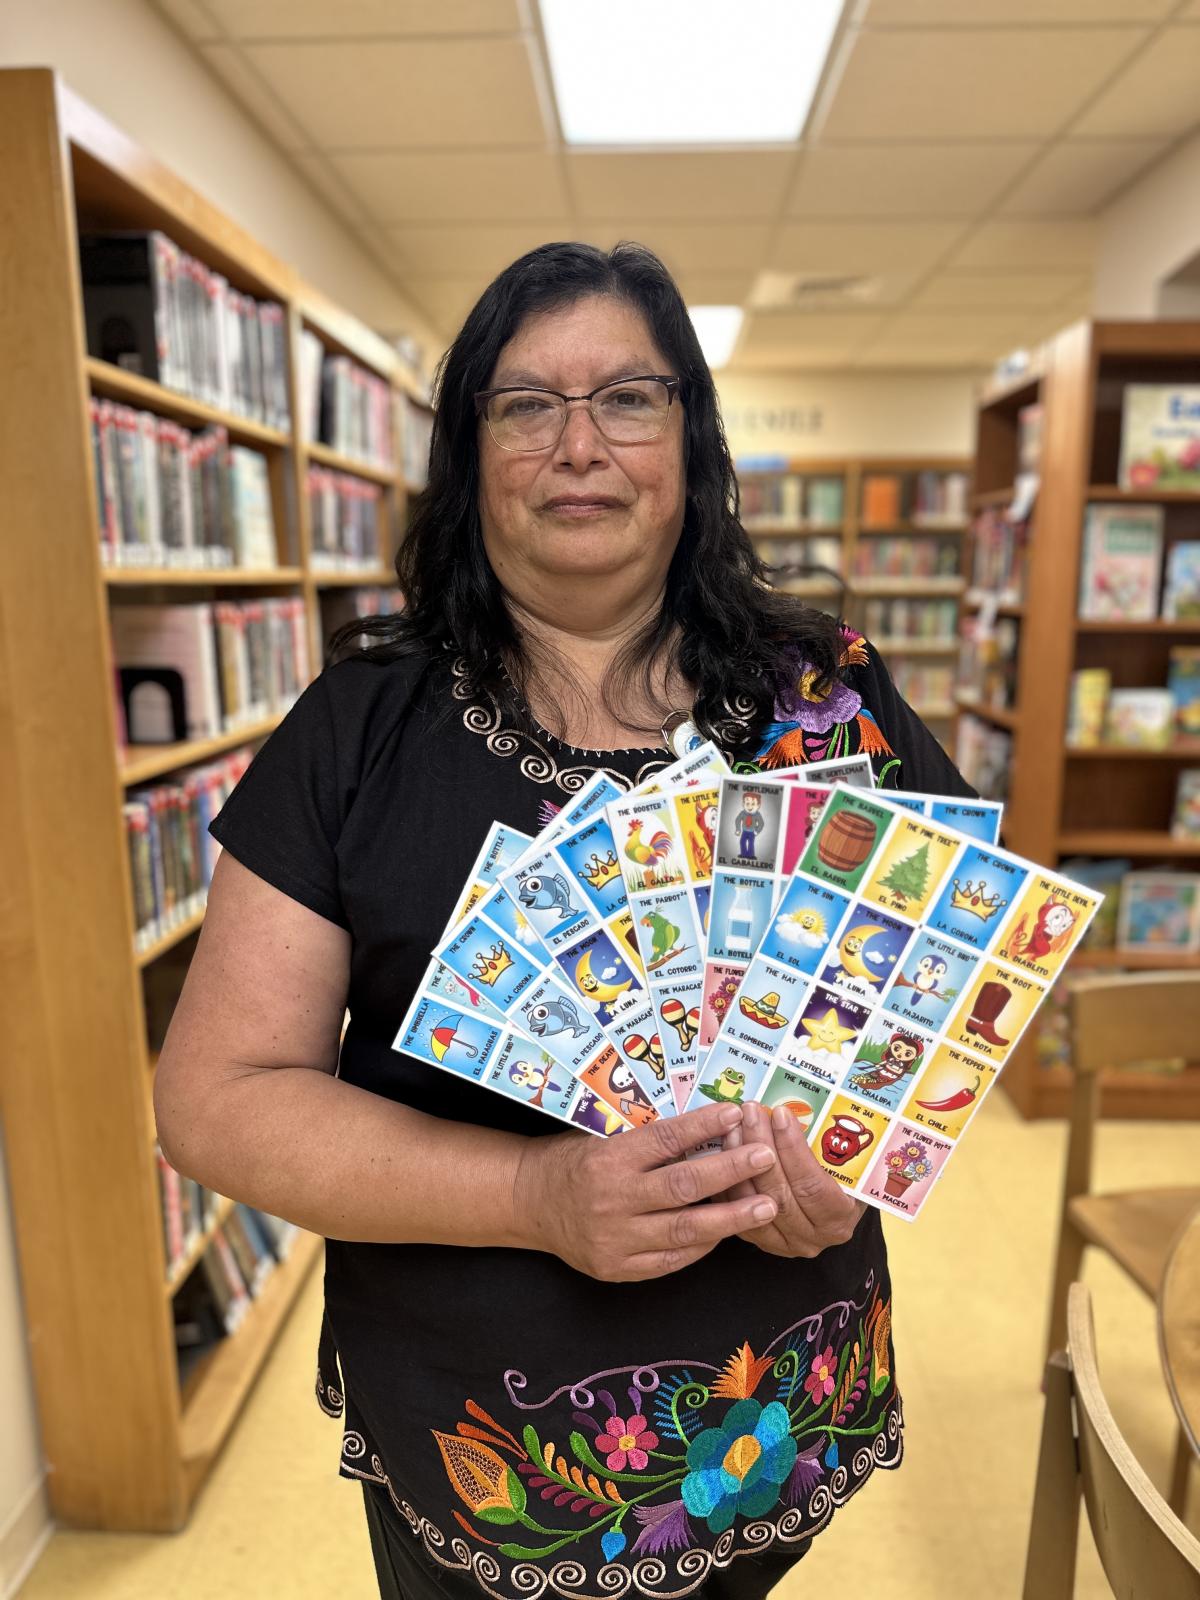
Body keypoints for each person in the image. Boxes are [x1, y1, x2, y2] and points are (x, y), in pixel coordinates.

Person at [154, 241, 972, 1600]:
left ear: (689, 440)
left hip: (773, 1396)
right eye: (526, 405)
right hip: (486, 1442)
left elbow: (934, 995)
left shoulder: (828, 695)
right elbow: (216, 1099)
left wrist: (852, 1158)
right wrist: (537, 1195)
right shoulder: (356, 730)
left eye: (628, 400)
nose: (578, 444)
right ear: (471, 452)